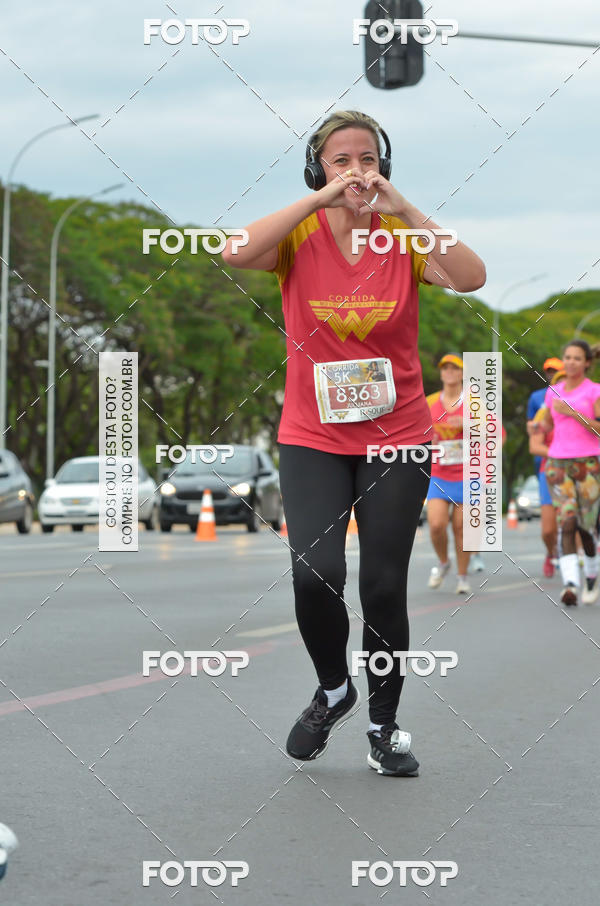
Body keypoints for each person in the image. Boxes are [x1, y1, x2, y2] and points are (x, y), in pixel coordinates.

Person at [222, 109, 485, 775]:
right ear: (319, 170)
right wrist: (318, 201)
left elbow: (471, 276)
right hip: (312, 436)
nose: (356, 171)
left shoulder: (402, 238)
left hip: (398, 437)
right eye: (340, 160)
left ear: (383, 168)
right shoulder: (297, 236)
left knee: (382, 584)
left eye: (367, 158)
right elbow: (233, 251)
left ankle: (383, 725)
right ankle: (334, 690)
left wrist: (406, 209)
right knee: (315, 574)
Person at [534, 341, 600, 605]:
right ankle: (570, 585)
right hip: (557, 463)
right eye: (568, 357)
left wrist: (573, 413)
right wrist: (538, 427)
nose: (571, 362)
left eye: (577, 358)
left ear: (587, 363)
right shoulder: (553, 392)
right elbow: (549, 423)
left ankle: (591, 575)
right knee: (568, 521)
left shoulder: (594, 391)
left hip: (588, 464)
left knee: (586, 527)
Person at [426, 354, 471, 594]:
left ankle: (462, 577)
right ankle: (444, 562)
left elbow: (498, 434)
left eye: (455, 368)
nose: (450, 372)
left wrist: (468, 426)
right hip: (439, 473)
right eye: (446, 368)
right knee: (436, 524)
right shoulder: (430, 402)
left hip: (468, 475)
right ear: (441, 373)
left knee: (461, 528)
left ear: (462, 373)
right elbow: (417, 432)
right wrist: (427, 441)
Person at [526, 357, 563, 577]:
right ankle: (552, 552)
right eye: (549, 371)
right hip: (546, 465)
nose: (553, 375)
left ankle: (579, 566)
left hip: (574, 468)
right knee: (548, 527)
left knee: (573, 520)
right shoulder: (538, 399)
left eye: (557, 372)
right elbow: (532, 431)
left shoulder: (578, 400)